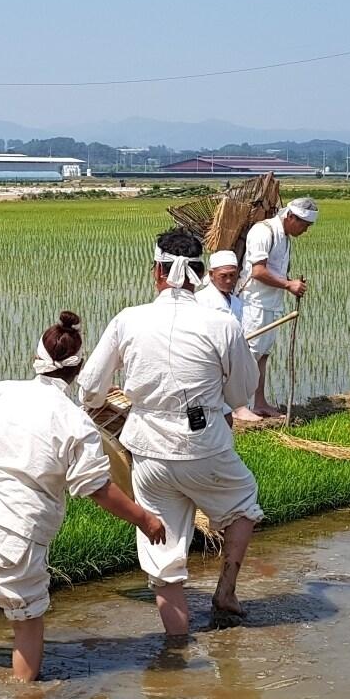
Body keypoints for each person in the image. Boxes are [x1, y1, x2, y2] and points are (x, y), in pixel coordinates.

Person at [0, 312, 166, 682]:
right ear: (78, 370)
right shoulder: (75, 422)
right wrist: (145, 519)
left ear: (35, 360)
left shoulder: (0, 392)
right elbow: (97, 488)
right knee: (26, 616)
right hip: (17, 526)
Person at [77, 229, 264, 636]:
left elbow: (90, 389)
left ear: (157, 272)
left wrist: (122, 401)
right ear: (200, 274)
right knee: (243, 504)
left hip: (148, 450)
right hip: (206, 444)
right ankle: (226, 590)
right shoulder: (221, 323)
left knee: (163, 551)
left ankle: (176, 650)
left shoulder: (129, 319)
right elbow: (240, 392)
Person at [238, 197, 316, 416]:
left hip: (271, 303)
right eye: (304, 225)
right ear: (291, 217)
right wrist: (289, 284)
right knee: (249, 354)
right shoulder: (263, 232)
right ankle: (239, 406)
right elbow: (258, 271)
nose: (305, 231)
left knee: (263, 354)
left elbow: (276, 271)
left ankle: (260, 402)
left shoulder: (285, 237)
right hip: (253, 303)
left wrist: (290, 283)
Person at [196, 250, 262, 423]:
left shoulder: (236, 302)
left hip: (230, 356)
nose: (228, 281)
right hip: (209, 357)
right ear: (211, 275)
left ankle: (237, 409)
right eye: (223, 276)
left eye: (232, 275)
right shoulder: (201, 300)